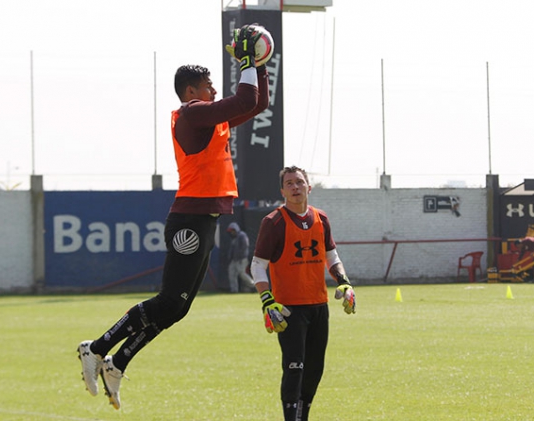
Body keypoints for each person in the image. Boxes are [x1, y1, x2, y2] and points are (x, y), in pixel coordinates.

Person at [77, 24, 270, 410]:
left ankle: (117, 362)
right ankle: (96, 348)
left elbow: (256, 103)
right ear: (191, 92)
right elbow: (241, 99)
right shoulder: (193, 114)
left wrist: (259, 64)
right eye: (209, 85)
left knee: (177, 307)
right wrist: (248, 61)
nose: (214, 91)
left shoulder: (207, 117)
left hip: (202, 218)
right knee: (169, 301)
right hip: (189, 221)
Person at [250, 165, 356, 421]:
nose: (295, 187)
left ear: (309, 187)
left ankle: (302, 415)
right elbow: (257, 265)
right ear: (282, 191)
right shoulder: (273, 222)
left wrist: (344, 281)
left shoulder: (321, 219)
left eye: (299, 182)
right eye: (289, 183)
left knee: (314, 370)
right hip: (288, 309)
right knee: (294, 367)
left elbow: (332, 257)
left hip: (319, 306)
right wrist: (267, 300)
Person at [226, 222, 255, 293]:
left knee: (242, 273)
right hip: (234, 259)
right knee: (231, 274)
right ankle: (234, 290)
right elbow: (232, 249)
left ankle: (253, 285)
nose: (232, 232)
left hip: (242, 259)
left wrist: (241, 256)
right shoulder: (233, 238)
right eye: (230, 231)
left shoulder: (242, 235)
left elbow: (245, 247)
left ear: (236, 229)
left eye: (232, 230)